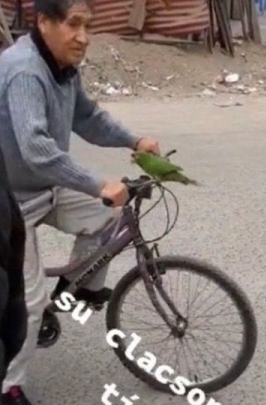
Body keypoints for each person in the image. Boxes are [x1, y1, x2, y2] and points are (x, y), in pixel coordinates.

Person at [0, 0, 161, 403]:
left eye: (87, 26)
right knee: (30, 302)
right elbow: (36, 148)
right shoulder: (24, 70)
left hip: (43, 185)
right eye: (73, 25)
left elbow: (86, 117)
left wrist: (134, 140)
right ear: (44, 22)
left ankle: (75, 294)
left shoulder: (62, 68)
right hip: (9, 199)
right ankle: (8, 387)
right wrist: (96, 183)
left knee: (110, 217)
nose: (83, 37)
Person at [0, 132, 28, 402]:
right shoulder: (25, 86)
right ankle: (11, 386)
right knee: (36, 299)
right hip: (29, 195)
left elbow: (88, 116)